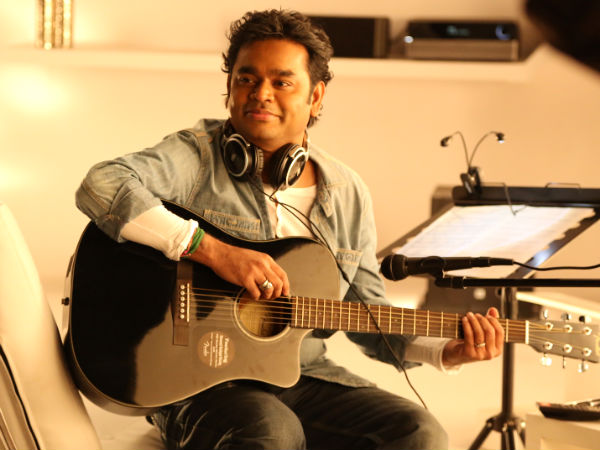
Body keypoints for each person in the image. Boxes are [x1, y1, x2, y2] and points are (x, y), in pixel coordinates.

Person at [76, 9, 504, 450]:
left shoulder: (347, 192)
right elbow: (102, 184)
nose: (260, 94)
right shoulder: (196, 157)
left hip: (302, 375)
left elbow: (368, 314)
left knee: (421, 433)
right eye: (246, 78)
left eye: (282, 82)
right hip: (195, 384)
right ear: (229, 88)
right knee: (273, 431)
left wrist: (445, 351)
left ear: (315, 97)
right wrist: (213, 251)